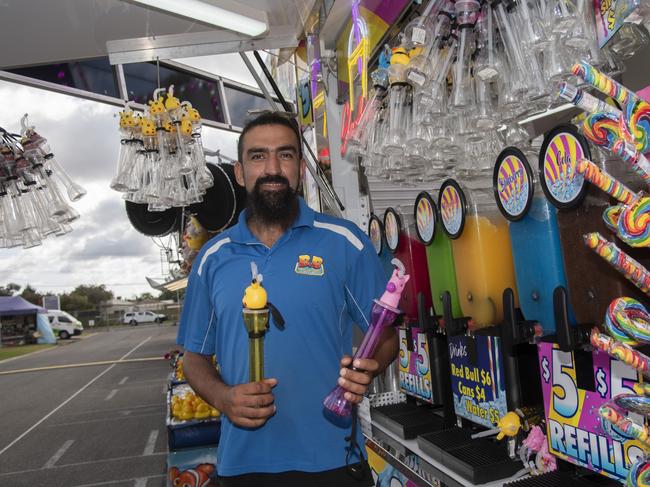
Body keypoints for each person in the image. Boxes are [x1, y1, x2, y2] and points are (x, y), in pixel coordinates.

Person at [179, 111, 398, 486]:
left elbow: (387, 336)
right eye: (258, 156)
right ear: (239, 171)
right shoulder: (213, 258)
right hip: (242, 465)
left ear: (300, 167)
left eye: (285, 154)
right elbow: (194, 359)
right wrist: (225, 398)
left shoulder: (344, 242)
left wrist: (370, 367)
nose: (273, 168)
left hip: (332, 460)